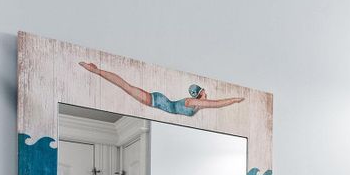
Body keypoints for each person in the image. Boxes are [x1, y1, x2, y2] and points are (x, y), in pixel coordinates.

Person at [78, 62, 244, 117]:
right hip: (158, 101)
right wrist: (234, 100)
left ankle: (96, 70)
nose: (206, 95)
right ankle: (96, 70)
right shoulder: (191, 102)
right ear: (200, 94)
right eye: (204, 92)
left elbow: (212, 104)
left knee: (127, 87)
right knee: (126, 87)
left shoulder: (197, 105)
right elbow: (217, 104)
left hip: (160, 102)